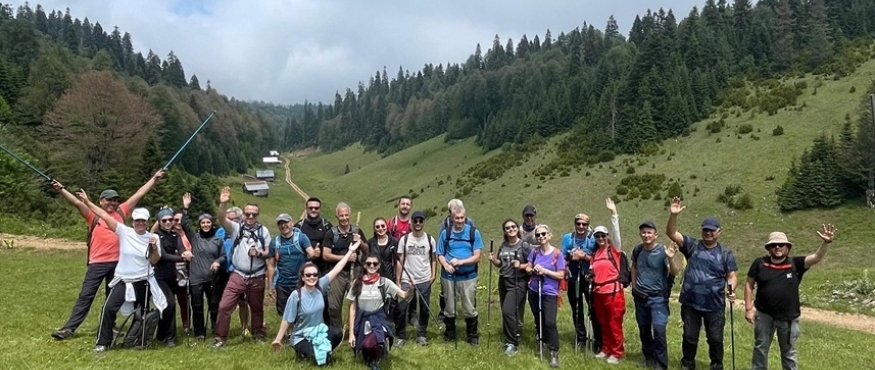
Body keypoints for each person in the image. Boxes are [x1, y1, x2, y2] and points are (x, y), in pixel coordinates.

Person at [49, 170, 163, 340]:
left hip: (118, 264)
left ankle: (110, 326)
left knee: (112, 298)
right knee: (86, 296)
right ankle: (69, 328)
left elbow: (139, 193)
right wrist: (60, 189)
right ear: (101, 201)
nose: (113, 203)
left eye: (115, 200)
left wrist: (154, 179)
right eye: (109, 200)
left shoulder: (122, 211)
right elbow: (75, 202)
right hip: (97, 263)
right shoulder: (92, 214)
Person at [76, 189, 170, 353]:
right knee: (109, 308)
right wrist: (87, 201)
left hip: (144, 280)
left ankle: (136, 339)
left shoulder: (152, 238)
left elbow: (154, 261)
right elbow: (104, 216)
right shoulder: (124, 232)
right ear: (133, 221)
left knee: (142, 312)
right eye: (137, 221)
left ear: (147, 222)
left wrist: (154, 249)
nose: (140, 223)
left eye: (143, 221)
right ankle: (103, 342)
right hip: (124, 280)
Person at [744, 225, 835, 370]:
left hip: (788, 318)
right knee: (760, 348)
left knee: (788, 352)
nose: (778, 247)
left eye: (781, 245)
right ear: (769, 248)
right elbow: (749, 284)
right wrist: (748, 308)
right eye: (774, 245)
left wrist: (826, 243)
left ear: (787, 247)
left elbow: (817, 257)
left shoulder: (795, 264)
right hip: (763, 315)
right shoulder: (759, 263)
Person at [666, 197, 738, 370]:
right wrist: (673, 216)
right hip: (691, 303)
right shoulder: (692, 245)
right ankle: (687, 364)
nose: (708, 233)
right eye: (705, 230)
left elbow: (732, 276)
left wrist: (730, 289)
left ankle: (716, 365)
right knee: (690, 336)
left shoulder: (725, 253)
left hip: (714, 304)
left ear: (719, 232)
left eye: (712, 230)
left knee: (715, 338)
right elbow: (671, 233)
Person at [271, 239, 361, 365]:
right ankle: (303, 351)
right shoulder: (296, 295)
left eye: (314, 274)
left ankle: (322, 350)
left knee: (337, 333)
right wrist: (278, 339)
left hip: (318, 332)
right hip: (301, 337)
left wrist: (350, 252)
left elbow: (337, 268)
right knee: (321, 360)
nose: (312, 277)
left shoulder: (320, 286)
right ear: (303, 277)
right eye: (308, 275)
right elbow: (287, 318)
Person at [213, 186, 275, 348]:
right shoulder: (236, 228)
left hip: (257, 274)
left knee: (256, 307)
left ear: (257, 215)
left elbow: (269, 252)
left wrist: (259, 254)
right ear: (243, 214)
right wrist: (223, 204)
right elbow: (221, 219)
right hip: (238, 274)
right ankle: (220, 338)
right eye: (247, 213)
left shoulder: (264, 231)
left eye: (254, 214)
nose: (250, 216)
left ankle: (258, 334)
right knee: (225, 306)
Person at [631, 221, 684, 370]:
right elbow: (634, 267)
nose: (646, 235)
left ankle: (661, 364)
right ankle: (648, 358)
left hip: (658, 298)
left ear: (656, 235)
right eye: (643, 232)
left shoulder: (663, 251)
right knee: (644, 329)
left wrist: (671, 258)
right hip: (640, 296)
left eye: (649, 232)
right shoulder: (637, 250)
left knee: (659, 331)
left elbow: (674, 272)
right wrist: (634, 286)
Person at [347, 254, 409, 370]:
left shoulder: (384, 282)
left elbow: (404, 295)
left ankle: (376, 357)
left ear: (379, 265)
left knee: (368, 345)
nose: (372, 266)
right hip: (362, 321)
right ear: (364, 265)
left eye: (375, 264)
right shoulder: (357, 283)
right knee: (364, 350)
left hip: (379, 321)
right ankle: (373, 352)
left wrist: (411, 288)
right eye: (368, 263)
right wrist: (351, 333)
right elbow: (353, 308)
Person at [177, 193, 226, 341]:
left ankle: (216, 330)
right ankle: (199, 333)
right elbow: (185, 224)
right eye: (203, 223)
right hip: (196, 277)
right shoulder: (194, 238)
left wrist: (218, 261)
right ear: (199, 225)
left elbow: (223, 255)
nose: (205, 225)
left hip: (212, 278)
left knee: (214, 306)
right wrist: (185, 208)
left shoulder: (217, 240)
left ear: (212, 224)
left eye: (208, 222)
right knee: (197, 306)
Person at [436, 206, 483, 345]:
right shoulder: (446, 233)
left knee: (469, 307)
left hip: (468, 275)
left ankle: (472, 335)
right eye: (457, 218)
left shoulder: (474, 233)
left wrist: (461, 262)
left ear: (466, 218)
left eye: (462, 218)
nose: (460, 221)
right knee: (449, 307)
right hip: (448, 276)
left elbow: (477, 256)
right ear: (452, 219)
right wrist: (446, 265)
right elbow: (440, 254)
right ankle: (449, 334)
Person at [587, 198, 625, 365]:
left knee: (614, 323)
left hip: (613, 293)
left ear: (607, 237)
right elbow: (594, 272)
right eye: (598, 236)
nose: (601, 238)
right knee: (603, 323)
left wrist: (613, 213)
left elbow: (616, 233)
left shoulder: (614, 250)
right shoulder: (595, 255)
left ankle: (617, 352)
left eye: (603, 235)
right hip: (598, 293)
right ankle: (606, 348)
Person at [487, 219, 532, 356]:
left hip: (518, 282)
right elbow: (501, 263)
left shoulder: (524, 245)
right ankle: (515, 333)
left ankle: (512, 343)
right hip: (504, 281)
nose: (511, 229)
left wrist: (521, 266)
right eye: (507, 228)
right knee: (509, 311)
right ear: (504, 231)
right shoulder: (503, 245)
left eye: (513, 227)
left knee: (508, 311)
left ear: (517, 229)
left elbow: (532, 263)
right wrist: (494, 260)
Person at [524, 224, 565, 367]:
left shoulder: (557, 254)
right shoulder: (534, 252)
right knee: (539, 319)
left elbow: (561, 274)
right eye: (538, 235)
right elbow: (528, 266)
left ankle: (554, 352)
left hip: (550, 292)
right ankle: (543, 343)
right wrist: (532, 270)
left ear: (549, 235)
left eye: (543, 234)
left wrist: (545, 271)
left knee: (549, 322)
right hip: (535, 290)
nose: (541, 237)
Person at [322, 202, 368, 328]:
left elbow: (367, 250)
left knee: (358, 303)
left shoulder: (357, 231)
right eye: (341, 216)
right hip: (337, 273)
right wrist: (345, 258)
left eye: (346, 215)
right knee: (333, 306)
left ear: (350, 215)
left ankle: (357, 331)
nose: (344, 218)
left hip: (355, 271)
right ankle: (337, 332)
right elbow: (325, 254)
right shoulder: (331, 234)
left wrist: (360, 242)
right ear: (337, 217)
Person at [395, 210, 437, 346]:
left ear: (424, 222)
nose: (418, 223)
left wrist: (433, 275)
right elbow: (400, 259)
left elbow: (434, 259)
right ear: (411, 222)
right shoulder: (404, 239)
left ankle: (422, 335)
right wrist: (398, 279)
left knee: (424, 308)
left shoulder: (430, 239)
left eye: (420, 221)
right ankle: (401, 336)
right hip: (407, 279)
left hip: (424, 278)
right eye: (415, 221)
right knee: (402, 308)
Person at [562, 212, 600, 352]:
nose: (581, 226)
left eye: (584, 224)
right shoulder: (567, 238)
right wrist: (570, 256)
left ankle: (598, 340)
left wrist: (583, 256)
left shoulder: (593, 239)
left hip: (589, 278)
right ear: (575, 224)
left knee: (594, 310)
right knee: (577, 309)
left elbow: (598, 260)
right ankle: (581, 338)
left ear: (588, 226)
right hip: (574, 278)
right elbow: (563, 258)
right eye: (578, 223)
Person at [214, 206, 250, 337]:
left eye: (231, 219)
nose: (227, 222)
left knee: (242, 302)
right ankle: (222, 329)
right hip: (223, 271)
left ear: (240, 219)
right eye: (226, 219)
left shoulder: (245, 232)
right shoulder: (219, 232)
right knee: (223, 303)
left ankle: (244, 327)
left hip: (240, 271)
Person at [269, 213, 314, 317]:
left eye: (286, 222)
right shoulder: (274, 242)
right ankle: (289, 333)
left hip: (299, 282)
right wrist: (271, 286)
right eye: (280, 223)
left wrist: (315, 253)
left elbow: (311, 254)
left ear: (292, 223)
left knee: (301, 311)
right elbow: (271, 265)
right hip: (282, 284)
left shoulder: (302, 238)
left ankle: (298, 332)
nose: (283, 225)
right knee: (284, 312)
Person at [437, 198, 474, 320]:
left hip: (467, 267)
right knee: (446, 292)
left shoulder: (470, 223)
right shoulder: (445, 223)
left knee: (468, 292)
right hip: (448, 263)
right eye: (453, 211)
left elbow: (473, 239)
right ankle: (444, 312)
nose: (456, 215)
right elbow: (441, 244)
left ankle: (470, 311)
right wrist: (445, 263)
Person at [152, 207, 183, 346]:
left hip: (172, 275)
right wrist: (181, 258)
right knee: (169, 303)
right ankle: (168, 336)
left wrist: (184, 253)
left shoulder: (176, 235)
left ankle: (164, 334)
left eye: (170, 219)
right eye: (164, 220)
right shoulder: (156, 236)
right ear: (159, 222)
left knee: (170, 305)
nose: (168, 222)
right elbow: (163, 255)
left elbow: (181, 248)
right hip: (158, 276)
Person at [367, 217, 401, 343]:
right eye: (377, 227)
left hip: (389, 276)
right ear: (374, 229)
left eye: (383, 226)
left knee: (391, 306)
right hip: (374, 278)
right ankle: (376, 331)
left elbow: (398, 261)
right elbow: (366, 261)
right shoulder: (370, 242)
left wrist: (397, 280)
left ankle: (390, 333)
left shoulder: (394, 241)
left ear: (387, 227)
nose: (381, 229)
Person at [295, 197, 333, 275]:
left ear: (320, 209)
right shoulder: (298, 227)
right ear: (306, 209)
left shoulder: (326, 226)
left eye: (316, 208)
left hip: (323, 269)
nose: (313, 210)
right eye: (311, 208)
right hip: (304, 269)